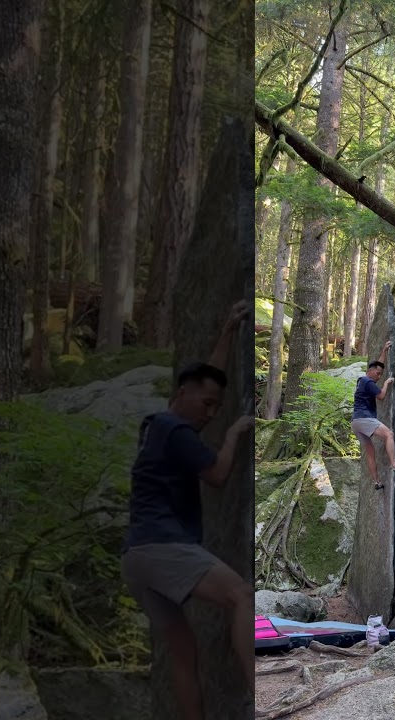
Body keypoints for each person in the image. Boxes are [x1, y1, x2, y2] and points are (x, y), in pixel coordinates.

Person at [120, 299, 255, 720]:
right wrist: (233, 433)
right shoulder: (176, 431)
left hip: (137, 559)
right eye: (207, 406)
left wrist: (228, 330)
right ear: (182, 394)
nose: (211, 413)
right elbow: (216, 474)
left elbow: (206, 382)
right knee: (241, 596)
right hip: (163, 546)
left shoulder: (161, 425)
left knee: (183, 656)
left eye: (218, 408)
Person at [353, 340, 395, 489]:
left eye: (381, 375)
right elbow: (382, 396)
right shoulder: (368, 382)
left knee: (370, 453)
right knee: (388, 434)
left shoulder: (363, 380)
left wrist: (384, 351)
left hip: (356, 423)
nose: (379, 376)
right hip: (364, 418)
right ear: (369, 371)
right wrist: (386, 383)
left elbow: (378, 366)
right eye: (378, 374)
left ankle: (377, 482)